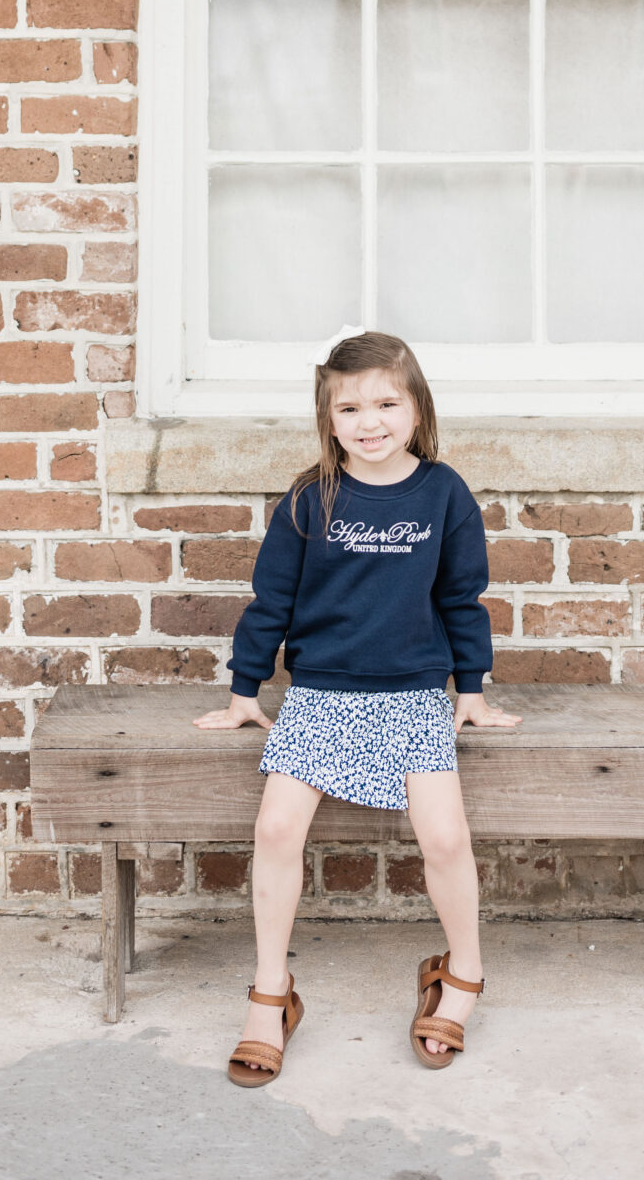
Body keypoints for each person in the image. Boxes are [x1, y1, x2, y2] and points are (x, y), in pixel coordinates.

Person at [195, 329, 521, 1087]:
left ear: (414, 409)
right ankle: (271, 992)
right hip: (320, 695)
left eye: (385, 403)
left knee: (444, 837)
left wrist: (469, 692)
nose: (368, 421)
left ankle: (460, 971)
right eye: (349, 407)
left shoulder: (442, 494)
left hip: (411, 694)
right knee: (275, 827)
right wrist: (245, 692)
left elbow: (459, 598)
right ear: (328, 416)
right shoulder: (310, 500)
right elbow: (270, 601)